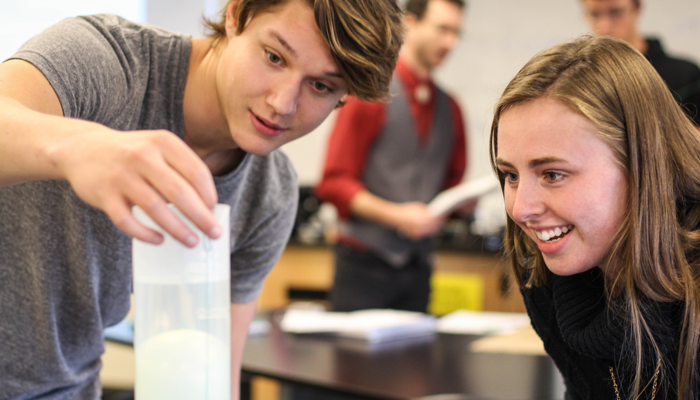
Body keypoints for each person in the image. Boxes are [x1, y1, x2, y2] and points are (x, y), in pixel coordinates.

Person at [0, 0, 404, 399]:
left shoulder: (268, 195)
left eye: (320, 86)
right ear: (236, 14)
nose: (282, 103)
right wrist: (78, 148)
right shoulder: (109, 60)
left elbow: (217, 375)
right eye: (274, 57)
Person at [490, 35, 700, 400]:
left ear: (640, 166)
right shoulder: (547, 277)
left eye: (553, 175)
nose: (521, 209)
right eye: (511, 175)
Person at [314, 0, 471, 313]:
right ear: (410, 23)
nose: (450, 42)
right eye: (442, 29)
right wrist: (396, 216)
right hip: (363, 267)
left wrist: (460, 205)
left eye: (456, 33)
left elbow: (451, 183)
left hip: (418, 268)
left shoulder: (450, 108)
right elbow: (334, 183)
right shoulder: (368, 94)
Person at [581, 0, 700, 126]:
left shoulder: (686, 75)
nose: (604, 26)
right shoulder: (582, 79)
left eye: (616, 13)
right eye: (594, 14)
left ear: (637, 8)